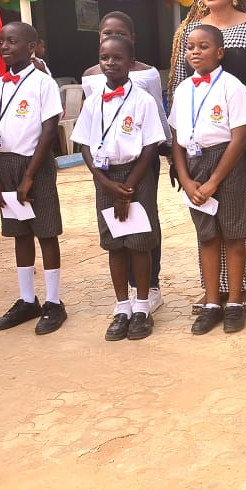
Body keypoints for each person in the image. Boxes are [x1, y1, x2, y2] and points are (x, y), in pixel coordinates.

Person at [171, 0, 246, 313]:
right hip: (201, 144)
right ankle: (212, 288)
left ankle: (245, 286)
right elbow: (178, 84)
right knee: (206, 216)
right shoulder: (188, 31)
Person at [71, 35, 165, 341]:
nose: (110, 63)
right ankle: (122, 307)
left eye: (117, 58)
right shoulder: (93, 101)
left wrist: (128, 187)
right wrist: (104, 182)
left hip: (137, 176)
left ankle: (142, 308)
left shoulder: (143, 101)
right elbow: (84, 144)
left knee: (138, 242)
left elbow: (150, 147)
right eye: (105, 58)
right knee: (114, 243)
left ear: (131, 62)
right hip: (105, 177)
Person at [169, 24, 246, 335]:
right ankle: (211, 303)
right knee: (206, 236)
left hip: (227, 165)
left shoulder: (232, 86)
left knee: (233, 235)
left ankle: (234, 302)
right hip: (194, 165)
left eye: (203, 46)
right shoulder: (182, 89)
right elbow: (176, 138)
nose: (195, 52)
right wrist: (186, 178)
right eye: (190, 47)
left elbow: (240, 138)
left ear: (219, 52)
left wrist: (215, 180)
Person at [0, 22, 67, 335]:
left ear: (32, 47)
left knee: (46, 232)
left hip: (35, 164)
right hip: (4, 165)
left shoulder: (43, 83)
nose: (4, 46)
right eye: (1, 41)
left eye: (12, 41)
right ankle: (27, 300)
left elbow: (49, 130)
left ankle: (54, 302)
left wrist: (30, 176)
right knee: (20, 233)